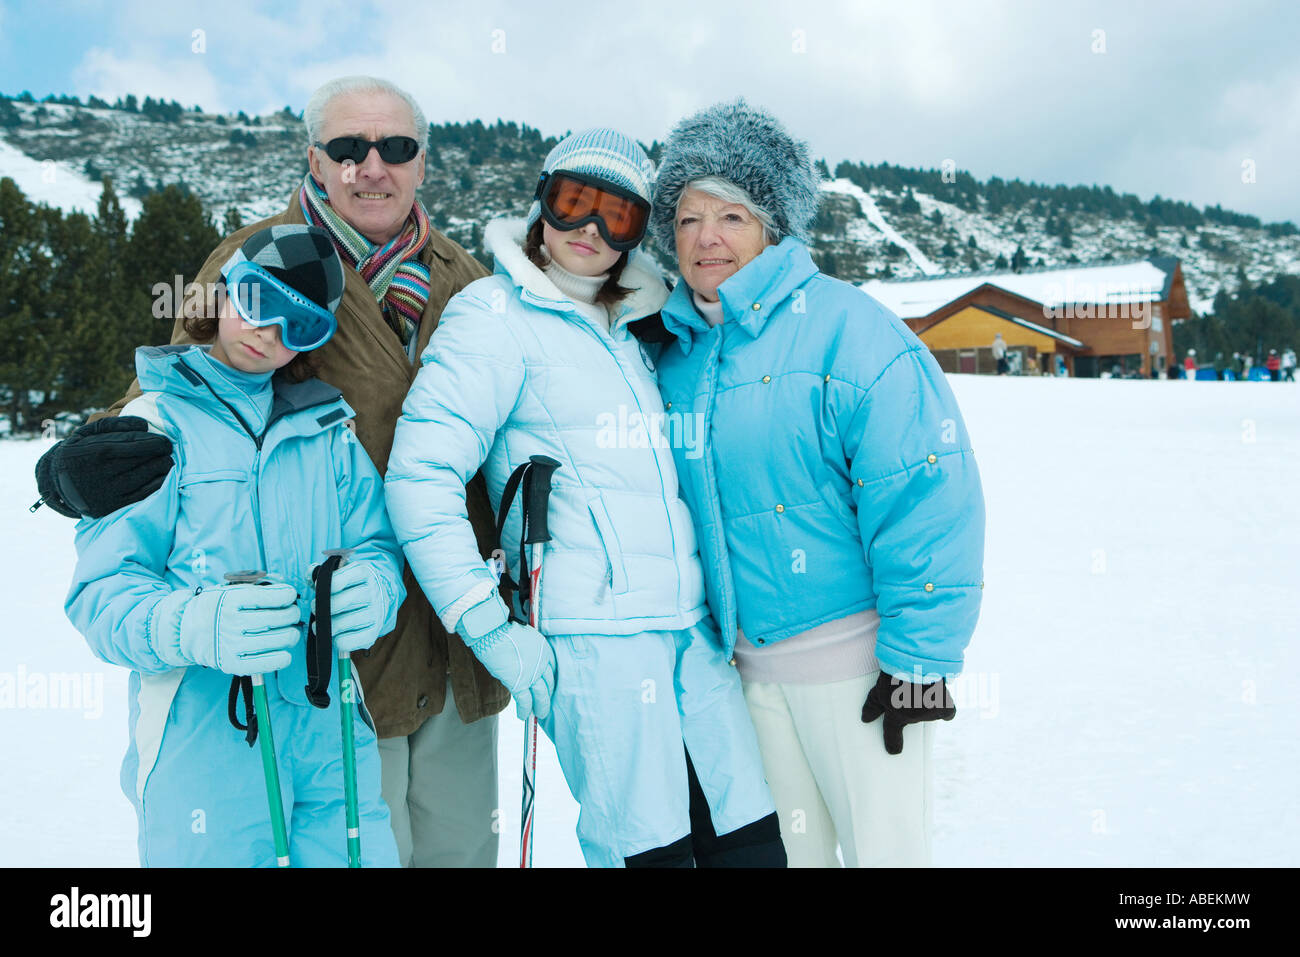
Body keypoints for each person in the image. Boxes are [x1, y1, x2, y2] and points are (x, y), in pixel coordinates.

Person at [35, 76, 508, 868]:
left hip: (447, 628)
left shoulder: (469, 281)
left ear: (423, 162)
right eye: (347, 149)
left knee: (459, 849)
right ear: (316, 161)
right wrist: (78, 466)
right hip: (337, 668)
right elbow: (190, 381)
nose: (372, 167)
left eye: (394, 148)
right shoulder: (259, 250)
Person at [384, 129, 784, 868]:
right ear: (543, 204)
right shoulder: (492, 317)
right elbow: (420, 476)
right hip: (597, 640)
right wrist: (487, 621)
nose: (591, 231)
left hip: (687, 626)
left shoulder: (639, 327)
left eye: (617, 216)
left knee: (749, 842)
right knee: (649, 852)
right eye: (574, 204)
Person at [640, 100, 985, 867]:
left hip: (865, 674)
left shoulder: (849, 328)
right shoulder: (674, 352)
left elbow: (928, 496)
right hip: (745, 679)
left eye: (731, 214)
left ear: (775, 225)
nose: (707, 237)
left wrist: (920, 666)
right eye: (689, 217)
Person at [63, 226, 404, 866]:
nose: (267, 332)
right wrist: (192, 623)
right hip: (205, 738)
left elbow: (376, 546)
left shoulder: (330, 430)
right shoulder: (152, 427)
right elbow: (101, 596)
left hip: (329, 734)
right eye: (255, 300)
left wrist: (375, 590)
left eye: (298, 325)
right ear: (221, 292)